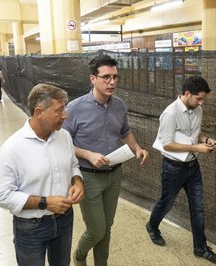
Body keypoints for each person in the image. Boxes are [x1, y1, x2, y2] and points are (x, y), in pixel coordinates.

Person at [62, 54, 149, 266]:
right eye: (106, 77)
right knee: (96, 230)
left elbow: (125, 131)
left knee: (107, 226)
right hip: (88, 178)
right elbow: (62, 144)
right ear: (93, 78)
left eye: (115, 77)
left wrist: (136, 147)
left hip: (114, 175)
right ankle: (80, 255)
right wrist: (88, 154)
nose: (112, 82)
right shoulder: (74, 108)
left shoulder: (119, 105)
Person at [0, 83, 85, 266]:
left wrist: (78, 182)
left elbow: (73, 165)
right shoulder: (12, 149)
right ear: (39, 112)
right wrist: (45, 202)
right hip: (31, 227)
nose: (65, 115)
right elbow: (0, 195)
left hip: (64, 219)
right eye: (59, 111)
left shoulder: (64, 136)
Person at [146, 76, 216, 264]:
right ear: (187, 93)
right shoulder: (170, 113)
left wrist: (206, 141)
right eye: (199, 98)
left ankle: (200, 248)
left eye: (203, 99)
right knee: (166, 203)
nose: (201, 102)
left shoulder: (198, 110)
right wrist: (196, 148)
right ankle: (152, 226)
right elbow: (167, 145)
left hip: (192, 167)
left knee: (198, 208)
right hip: (173, 168)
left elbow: (196, 135)